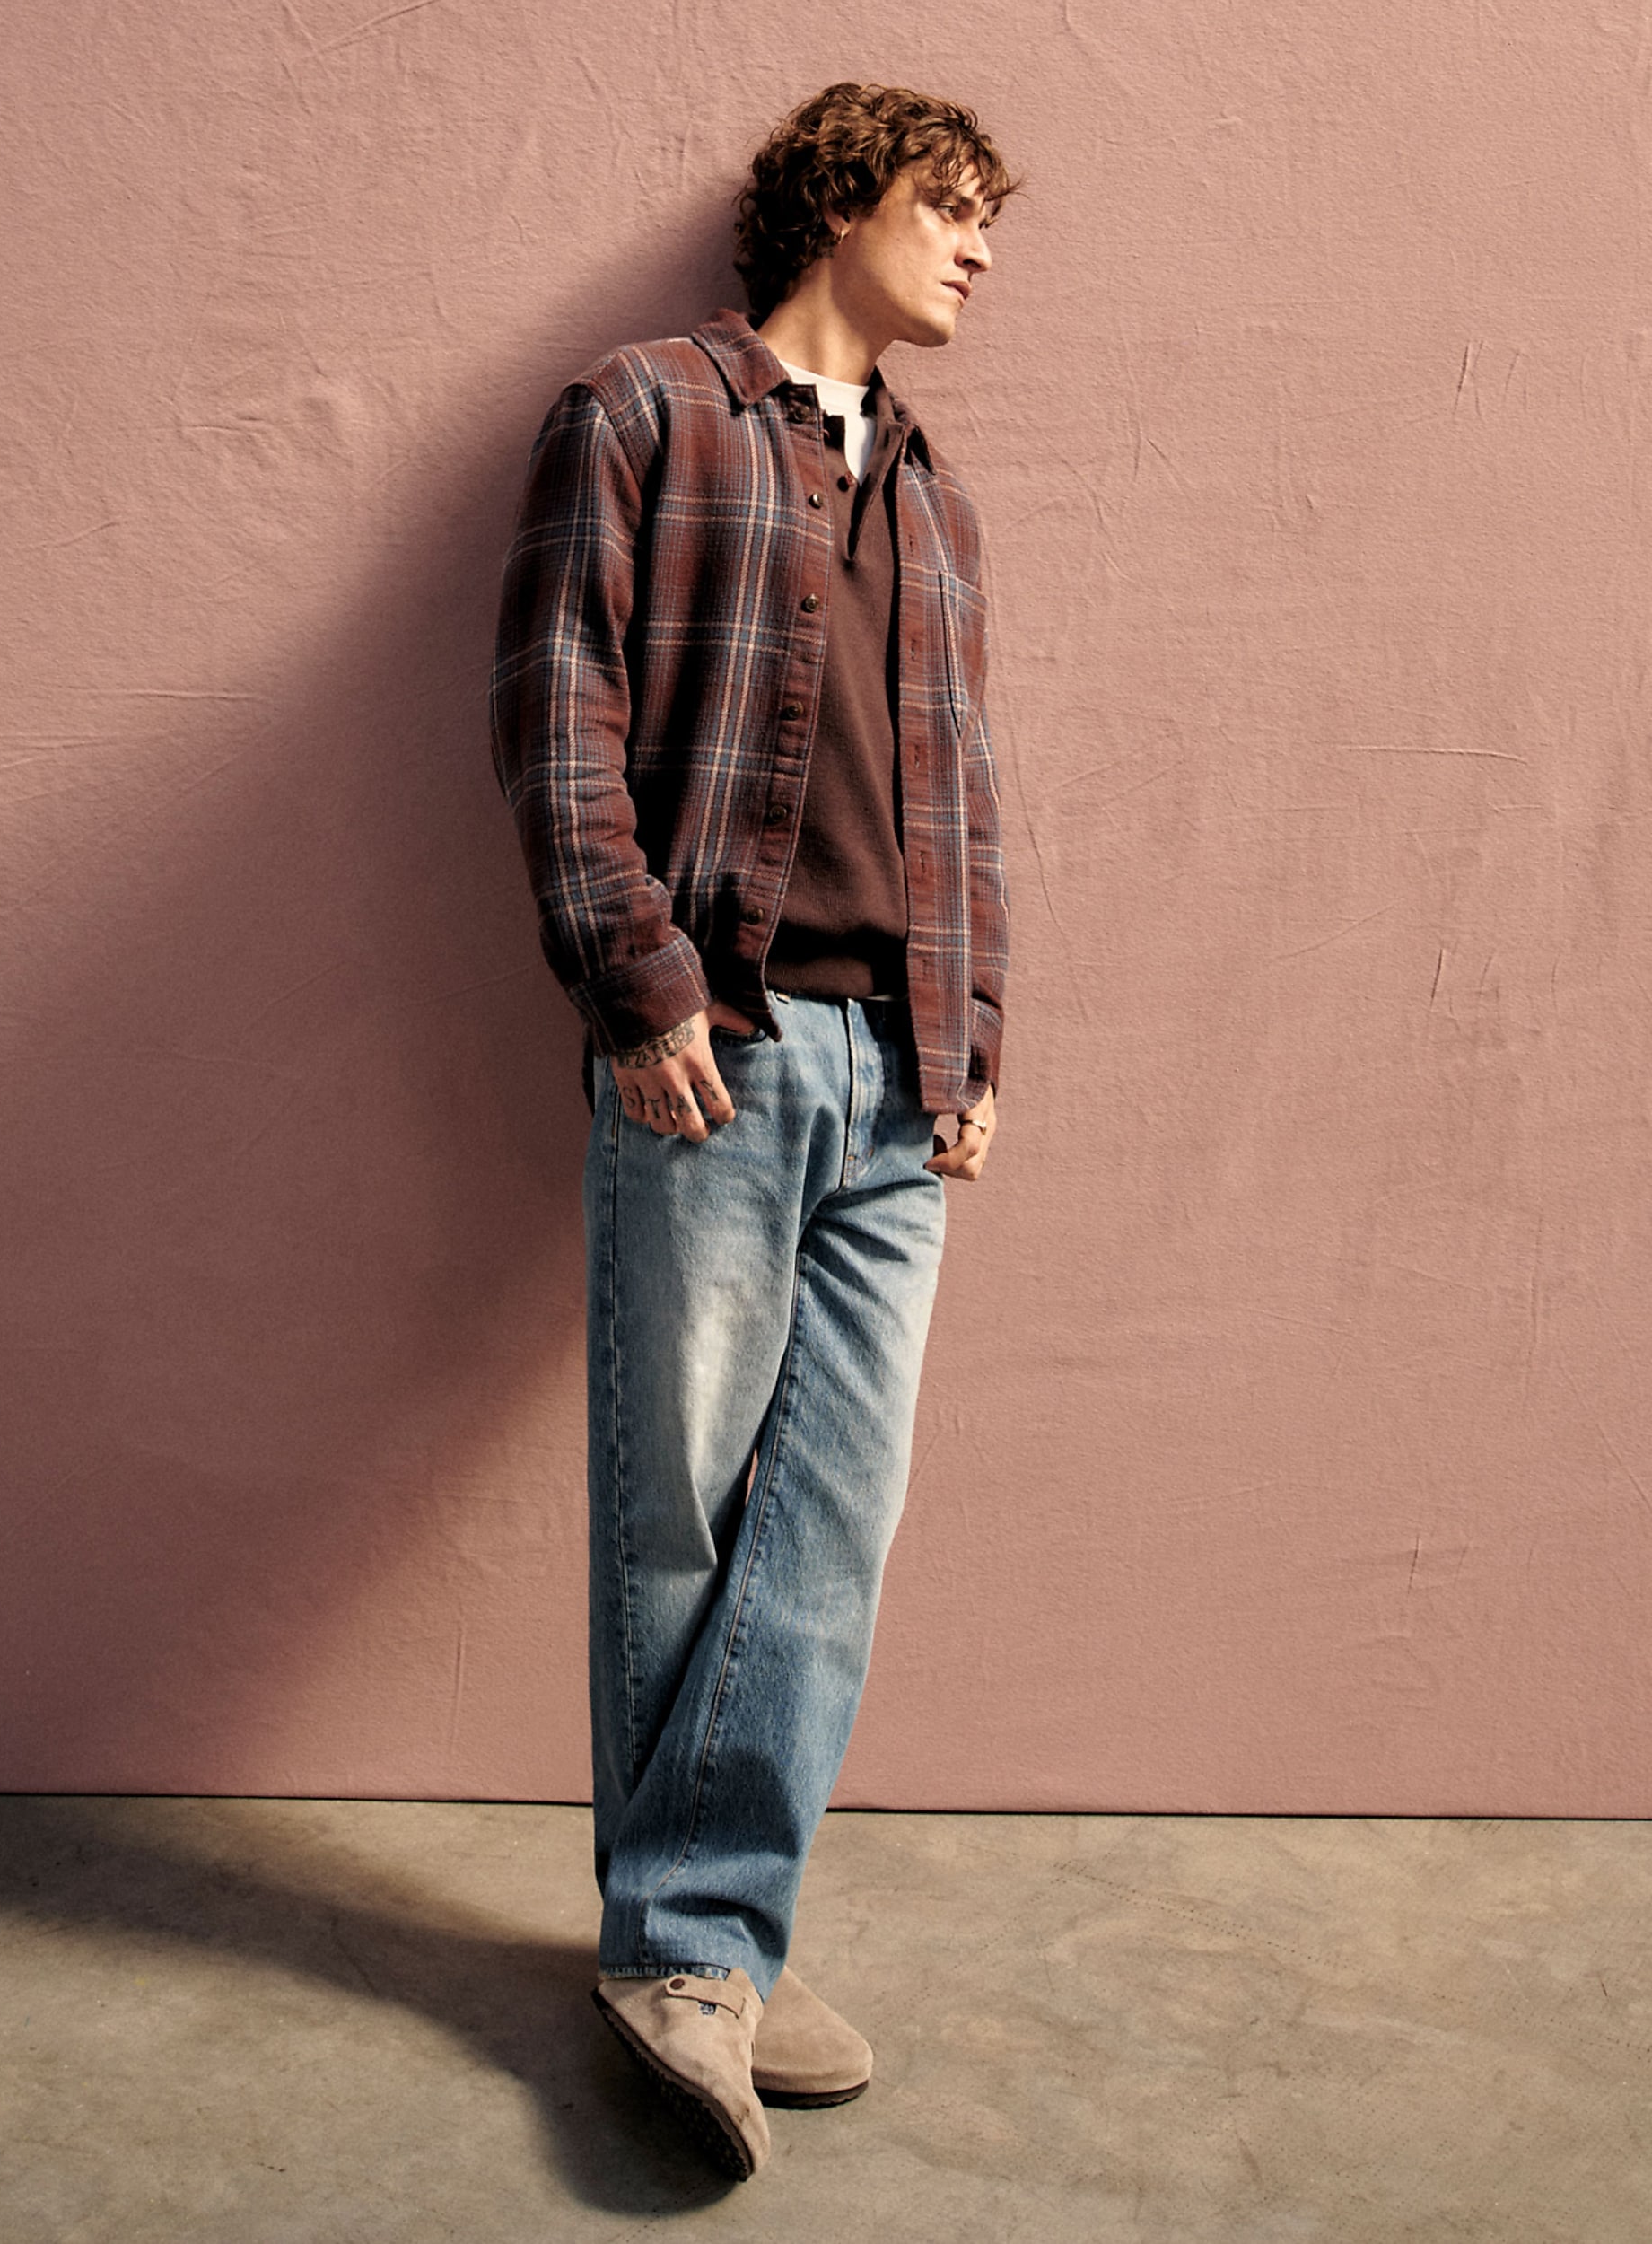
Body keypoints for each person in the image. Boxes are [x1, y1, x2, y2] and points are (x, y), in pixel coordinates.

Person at [490, 81, 1017, 2180]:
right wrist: (636, 977)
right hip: (716, 1039)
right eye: (948, 209)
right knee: (676, 1513)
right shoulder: (642, 411)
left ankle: (684, 1938)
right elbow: (553, 703)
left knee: (831, 1522)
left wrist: (972, 1033)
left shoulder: (940, 496)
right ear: (839, 205)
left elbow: (966, 786)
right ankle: (695, 1945)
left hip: (898, 1069)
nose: (977, 252)